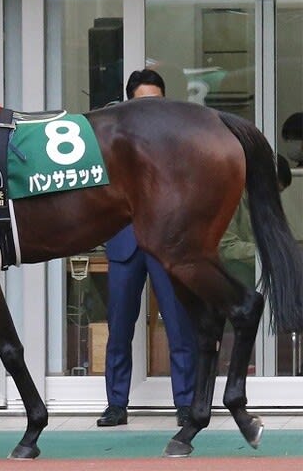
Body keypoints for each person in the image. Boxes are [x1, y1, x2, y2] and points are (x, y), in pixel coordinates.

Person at [97, 69, 197, 428]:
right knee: (119, 328)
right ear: (128, 106)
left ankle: (186, 404)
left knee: (179, 325)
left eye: (156, 102)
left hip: (166, 241)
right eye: (142, 104)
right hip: (125, 241)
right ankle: (116, 405)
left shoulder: (181, 141)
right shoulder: (111, 141)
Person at [220, 154, 293, 288]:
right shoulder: (230, 197)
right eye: (274, 190)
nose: (274, 196)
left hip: (257, 284)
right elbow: (225, 246)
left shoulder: (263, 203)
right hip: (233, 287)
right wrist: (264, 253)